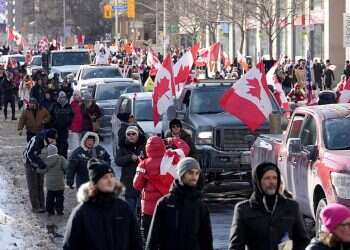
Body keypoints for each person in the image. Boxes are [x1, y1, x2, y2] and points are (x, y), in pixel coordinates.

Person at [63, 161, 143, 250]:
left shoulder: (123, 208)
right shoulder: (82, 212)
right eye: (105, 177)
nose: (110, 180)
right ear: (95, 182)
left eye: (112, 176)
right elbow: (70, 246)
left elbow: (136, 241)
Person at [228, 163, 309, 250]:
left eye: (275, 178)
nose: (272, 182)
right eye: (267, 178)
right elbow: (235, 246)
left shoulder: (292, 207)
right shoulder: (243, 209)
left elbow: (303, 241)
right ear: (258, 181)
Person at [146, 157, 214, 250]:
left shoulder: (201, 206)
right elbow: (153, 237)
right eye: (190, 172)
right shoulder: (165, 203)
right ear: (181, 174)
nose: (194, 176)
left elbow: (206, 240)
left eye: (197, 173)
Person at [133, 136, 190, 239]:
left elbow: (137, 185)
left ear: (147, 148)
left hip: (149, 210)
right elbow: (185, 148)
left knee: (150, 239)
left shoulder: (143, 164)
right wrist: (173, 139)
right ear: (162, 146)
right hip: (170, 205)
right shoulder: (173, 157)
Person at [23, 128, 57, 213]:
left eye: (54, 140)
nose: (52, 141)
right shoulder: (37, 140)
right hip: (29, 163)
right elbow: (28, 154)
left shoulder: (50, 142)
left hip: (40, 163)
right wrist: (38, 163)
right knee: (33, 185)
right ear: (47, 137)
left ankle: (42, 205)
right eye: (51, 139)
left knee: (40, 184)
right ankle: (36, 207)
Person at [116, 125, 147, 213]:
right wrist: (129, 158)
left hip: (143, 182)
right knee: (130, 208)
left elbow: (150, 158)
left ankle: (141, 225)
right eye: (128, 134)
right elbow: (118, 161)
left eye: (133, 134)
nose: (131, 136)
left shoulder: (144, 146)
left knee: (142, 209)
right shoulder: (123, 147)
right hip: (129, 182)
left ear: (137, 135)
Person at [37, 144, 67, 216]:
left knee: (50, 198)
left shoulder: (46, 161)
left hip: (50, 185)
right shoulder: (61, 158)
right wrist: (65, 173)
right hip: (60, 183)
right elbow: (67, 167)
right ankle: (60, 210)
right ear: (56, 151)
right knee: (60, 198)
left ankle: (50, 211)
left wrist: (37, 169)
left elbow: (41, 171)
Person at [50, 91, 74, 158]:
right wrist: (53, 123)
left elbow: (72, 115)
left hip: (64, 129)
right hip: (56, 129)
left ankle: (64, 159)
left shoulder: (68, 106)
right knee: (56, 144)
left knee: (64, 145)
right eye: (60, 97)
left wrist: (68, 123)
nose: (62, 99)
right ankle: (56, 159)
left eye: (63, 97)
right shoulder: (54, 105)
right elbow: (50, 116)